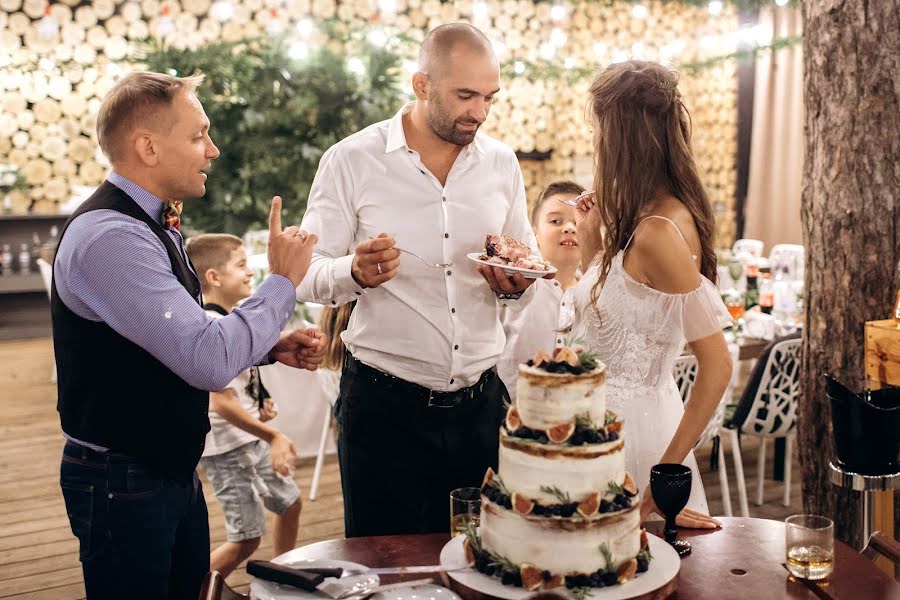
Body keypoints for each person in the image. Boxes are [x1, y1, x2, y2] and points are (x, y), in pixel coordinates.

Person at [52, 71, 326, 599]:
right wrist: (282, 281)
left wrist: (266, 345)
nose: (214, 150)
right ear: (148, 147)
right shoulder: (112, 237)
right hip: (122, 480)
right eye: (199, 135)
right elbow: (205, 359)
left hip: (165, 465)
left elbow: (171, 332)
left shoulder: (151, 222)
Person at [296, 23, 547, 537]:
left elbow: (529, 259)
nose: (479, 111)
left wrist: (516, 283)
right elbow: (302, 275)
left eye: (489, 98)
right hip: (384, 408)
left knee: (484, 559)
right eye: (465, 95)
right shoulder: (351, 160)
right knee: (386, 567)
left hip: (481, 405)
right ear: (421, 85)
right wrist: (354, 271)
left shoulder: (501, 163)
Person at [570, 60, 732, 529]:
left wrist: (665, 476)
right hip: (596, 430)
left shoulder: (659, 231)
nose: (595, 142)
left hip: (637, 438)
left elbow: (718, 365)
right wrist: (591, 245)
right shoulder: (642, 216)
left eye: (598, 129)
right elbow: (614, 321)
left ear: (622, 137)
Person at [185, 233, 303, 579]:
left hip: (249, 437)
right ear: (214, 277)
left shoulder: (230, 317)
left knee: (290, 504)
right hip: (227, 447)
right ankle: (189, 588)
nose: (251, 273)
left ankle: (283, 575)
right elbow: (221, 403)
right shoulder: (212, 323)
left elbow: (241, 375)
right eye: (241, 265)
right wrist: (273, 436)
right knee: (246, 538)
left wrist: (260, 399)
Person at [499, 180, 584, 401]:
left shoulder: (595, 295)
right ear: (535, 233)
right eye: (556, 221)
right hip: (511, 413)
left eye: (578, 222)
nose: (569, 228)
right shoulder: (515, 288)